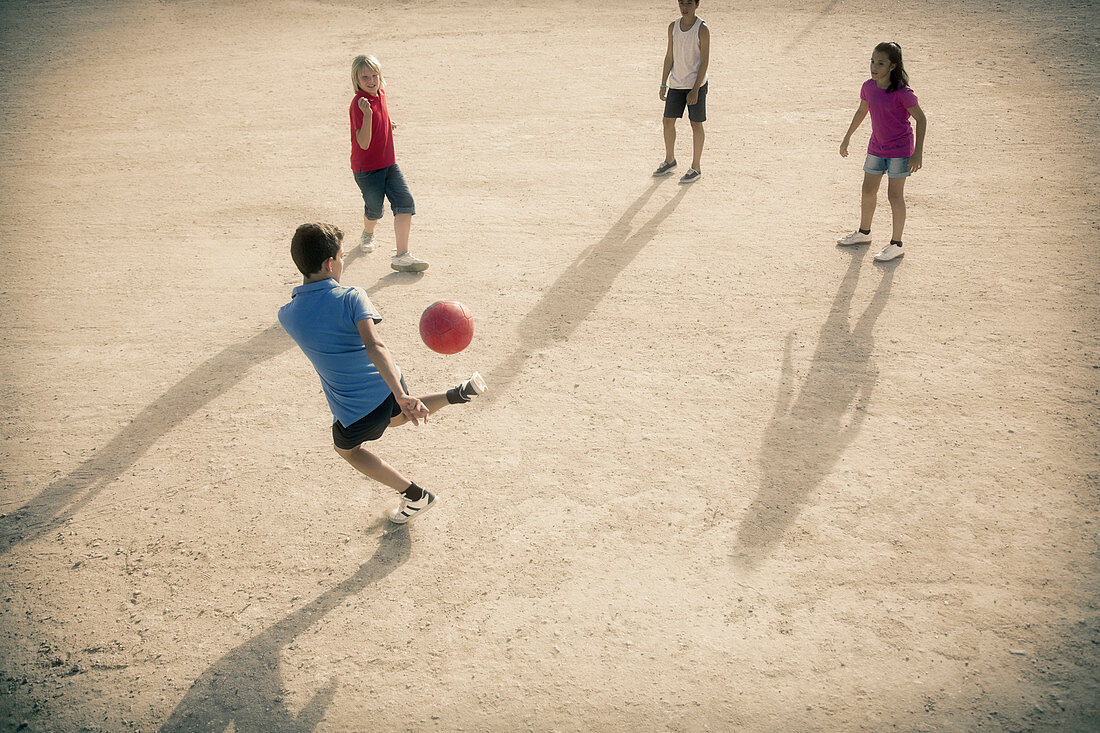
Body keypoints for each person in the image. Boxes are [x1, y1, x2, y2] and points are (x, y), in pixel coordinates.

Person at [278, 223, 486, 524]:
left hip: (355, 410)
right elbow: (374, 345)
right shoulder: (352, 296)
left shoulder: (287, 315)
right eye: (340, 256)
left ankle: (415, 496)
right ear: (329, 263)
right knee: (397, 416)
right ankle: (457, 394)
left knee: (348, 450)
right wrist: (401, 394)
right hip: (390, 381)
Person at [837, 42, 927, 262]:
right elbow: (861, 111)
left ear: (893, 66)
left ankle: (896, 244)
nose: (874, 67)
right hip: (876, 148)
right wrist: (847, 138)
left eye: (880, 63)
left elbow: (921, 119)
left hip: (900, 150)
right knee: (868, 190)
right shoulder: (868, 87)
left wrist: (917, 154)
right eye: (872, 61)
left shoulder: (902, 93)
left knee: (894, 196)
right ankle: (863, 233)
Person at [350, 54, 428, 273]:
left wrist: (386, 122)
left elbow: (379, 113)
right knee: (374, 210)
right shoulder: (359, 105)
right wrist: (367, 116)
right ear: (356, 79)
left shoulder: (381, 94)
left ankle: (402, 256)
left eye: (374, 75)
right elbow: (363, 143)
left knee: (405, 203)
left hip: (388, 163)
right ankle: (368, 233)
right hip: (367, 169)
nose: (371, 80)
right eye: (365, 77)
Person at [653, 0, 710, 184]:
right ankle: (670, 160)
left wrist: (695, 90)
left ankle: (696, 167)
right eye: (681, 3)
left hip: (696, 85)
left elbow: (704, 62)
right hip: (676, 84)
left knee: (696, 124)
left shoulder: (702, 29)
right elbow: (669, 55)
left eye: (688, 3)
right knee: (667, 121)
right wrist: (663, 84)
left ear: (697, 4)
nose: (684, 8)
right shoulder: (673, 27)